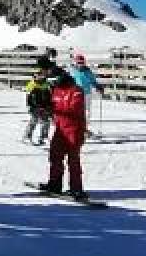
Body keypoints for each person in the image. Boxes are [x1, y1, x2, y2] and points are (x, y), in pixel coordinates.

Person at [39, 69, 88, 200]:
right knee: (55, 156)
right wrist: (45, 108)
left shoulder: (76, 90)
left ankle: (76, 188)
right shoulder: (56, 90)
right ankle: (55, 184)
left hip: (74, 129)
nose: (52, 85)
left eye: (53, 82)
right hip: (60, 129)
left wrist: (54, 109)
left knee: (73, 159)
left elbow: (74, 109)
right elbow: (53, 107)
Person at [69, 53, 105, 136]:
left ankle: (84, 128)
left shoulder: (88, 71)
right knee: (76, 111)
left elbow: (93, 81)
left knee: (87, 112)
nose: (80, 64)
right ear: (75, 63)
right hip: (76, 94)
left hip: (87, 93)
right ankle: (76, 128)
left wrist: (98, 87)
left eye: (82, 63)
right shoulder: (73, 71)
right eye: (79, 63)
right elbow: (68, 81)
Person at [23, 69, 52, 145]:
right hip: (35, 106)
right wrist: (30, 106)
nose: (40, 76)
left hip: (44, 106)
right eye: (38, 75)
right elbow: (29, 97)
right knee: (34, 120)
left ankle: (43, 137)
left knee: (46, 121)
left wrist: (49, 105)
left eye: (42, 75)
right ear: (35, 76)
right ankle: (27, 136)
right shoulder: (32, 84)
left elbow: (49, 96)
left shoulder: (46, 84)